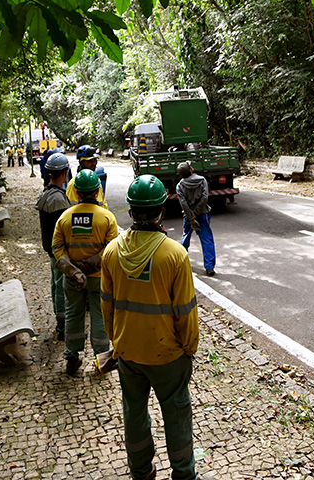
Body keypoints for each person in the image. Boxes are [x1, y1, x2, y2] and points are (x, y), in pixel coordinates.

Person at [101, 175, 214, 480]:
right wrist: (189, 348)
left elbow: (106, 305)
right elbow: (185, 312)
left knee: (134, 412)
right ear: (162, 210)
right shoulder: (174, 255)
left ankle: (141, 471)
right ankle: (183, 473)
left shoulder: (112, 252)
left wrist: (117, 341)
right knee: (177, 414)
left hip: (128, 354)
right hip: (167, 356)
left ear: (130, 210)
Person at [52, 169, 119, 375]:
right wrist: (89, 266)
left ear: (77, 193)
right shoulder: (107, 218)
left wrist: (74, 270)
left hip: (72, 280)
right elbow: (112, 249)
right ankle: (102, 359)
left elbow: (57, 248)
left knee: (73, 314)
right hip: (99, 279)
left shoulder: (65, 217)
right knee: (99, 316)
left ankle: (72, 357)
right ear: (98, 191)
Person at [36, 152, 71, 341]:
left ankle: (61, 323)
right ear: (64, 173)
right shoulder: (57, 199)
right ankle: (63, 326)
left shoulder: (46, 194)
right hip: (59, 253)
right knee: (61, 287)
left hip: (51, 251)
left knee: (55, 285)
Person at [176, 161, 215, 276]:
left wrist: (191, 218)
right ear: (191, 170)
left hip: (188, 217)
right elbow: (205, 197)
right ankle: (209, 267)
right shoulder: (202, 180)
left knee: (186, 237)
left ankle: (181, 263)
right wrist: (197, 213)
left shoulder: (180, 186)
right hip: (203, 214)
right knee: (206, 239)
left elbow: (183, 204)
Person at [67, 145, 108, 209]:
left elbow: (103, 204)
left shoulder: (97, 181)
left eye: (94, 160)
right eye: (89, 161)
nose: (94, 163)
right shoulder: (73, 184)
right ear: (82, 163)